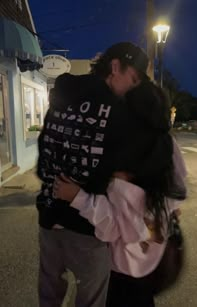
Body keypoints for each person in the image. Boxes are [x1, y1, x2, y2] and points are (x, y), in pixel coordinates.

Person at [53, 82, 187, 307]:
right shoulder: (168, 145)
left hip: (124, 268)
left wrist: (77, 197)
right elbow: (178, 194)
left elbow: (114, 228)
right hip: (154, 262)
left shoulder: (123, 166)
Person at [36, 42, 149, 307]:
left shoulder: (62, 93)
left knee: (48, 296)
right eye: (132, 79)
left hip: (49, 216)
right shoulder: (118, 112)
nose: (131, 88)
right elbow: (122, 174)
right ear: (115, 67)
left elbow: (43, 150)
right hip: (87, 226)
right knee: (92, 300)